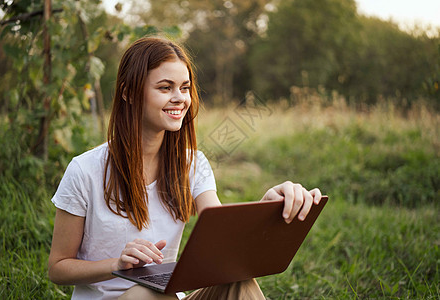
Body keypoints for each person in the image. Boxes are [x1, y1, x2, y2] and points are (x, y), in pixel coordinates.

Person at [48, 36, 322, 300]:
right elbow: (58, 267)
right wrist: (117, 264)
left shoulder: (193, 163)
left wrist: (268, 206)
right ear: (129, 93)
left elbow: (222, 231)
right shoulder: (85, 171)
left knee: (239, 281)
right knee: (146, 292)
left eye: (185, 87)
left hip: (168, 296)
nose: (179, 98)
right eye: (165, 88)